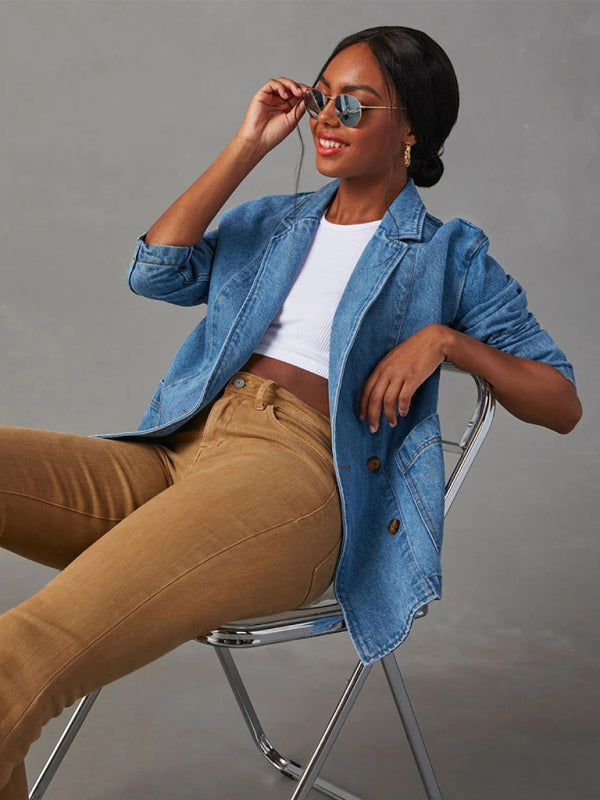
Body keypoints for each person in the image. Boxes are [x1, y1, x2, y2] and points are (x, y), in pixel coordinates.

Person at [0, 25, 582, 799]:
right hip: (180, 454)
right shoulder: (277, 222)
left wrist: (447, 341)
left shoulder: (449, 255)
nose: (328, 118)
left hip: (298, 484)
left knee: (24, 648)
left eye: (356, 104)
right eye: (321, 99)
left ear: (411, 127)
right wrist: (249, 146)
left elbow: (561, 400)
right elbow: (156, 271)